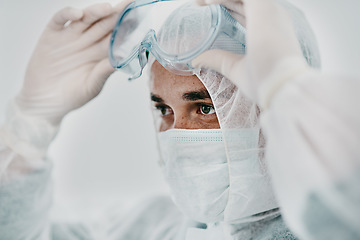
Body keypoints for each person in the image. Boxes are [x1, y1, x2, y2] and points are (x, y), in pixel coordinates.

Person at [0, 1, 354, 240]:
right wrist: (28, 127)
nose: (179, 135)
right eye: (164, 110)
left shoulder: (330, 222)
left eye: (204, 107)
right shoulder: (152, 227)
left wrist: (286, 86)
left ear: (268, 110)